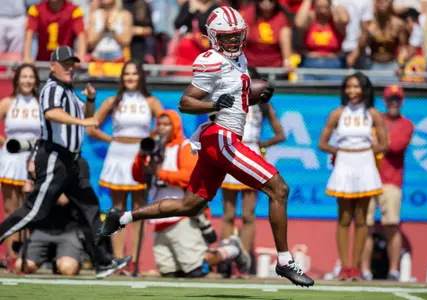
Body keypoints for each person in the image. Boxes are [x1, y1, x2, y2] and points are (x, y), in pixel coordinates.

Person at [100, 6, 314, 287]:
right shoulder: (210, 60)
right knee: (280, 189)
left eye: (237, 35)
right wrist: (214, 104)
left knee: (190, 205)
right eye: (227, 37)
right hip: (221, 137)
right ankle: (285, 261)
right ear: (214, 37)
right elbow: (185, 102)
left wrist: (253, 97)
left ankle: (123, 217)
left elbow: (235, 100)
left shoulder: (240, 59)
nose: (234, 41)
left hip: (225, 136)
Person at [0, 46, 131, 278]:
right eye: (65, 64)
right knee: (34, 211)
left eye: (72, 64)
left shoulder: (69, 92)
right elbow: (52, 113)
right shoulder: (52, 88)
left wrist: (90, 100)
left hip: (72, 161)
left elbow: (85, 115)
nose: (70, 68)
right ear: (53, 66)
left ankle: (102, 261)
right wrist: (84, 122)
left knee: (91, 209)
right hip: (55, 157)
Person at [131, 110, 245, 277]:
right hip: (160, 217)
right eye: (159, 125)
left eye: (166, 124)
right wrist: (141, 157)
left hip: (182, 216)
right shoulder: (152, 148)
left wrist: (161, 173)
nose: (162, 128)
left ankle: (232, 249)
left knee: (197, 269)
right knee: (169, 273)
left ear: (175, 126)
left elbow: (189, 177)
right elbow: (137, 177)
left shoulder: (184, 147)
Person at [86, 59, 163, 273]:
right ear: (122, 78)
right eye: (126, 74)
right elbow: (91, 127)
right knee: (116, 211)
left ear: (141, 77)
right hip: (117, 156)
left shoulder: (151, 101)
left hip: (140, 158)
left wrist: (152, 144)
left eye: (134, 74)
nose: (130, 78)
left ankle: (135, 263)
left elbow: (166, 127)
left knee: (138, 211)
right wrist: (112, 140)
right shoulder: (113, 101)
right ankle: (119, 261)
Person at [318, 72, 388, 280]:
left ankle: (355, 267)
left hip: (365, 165)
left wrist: (367, 153)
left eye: (356, 87)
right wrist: (339, 152)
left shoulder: (373, 114)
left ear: (365, 90)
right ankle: (344, 267)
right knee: (344, 218)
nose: (352, 91)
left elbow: (384, 144)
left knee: (361, 218)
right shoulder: (337, 113)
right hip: (344, 164)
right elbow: (322, 143)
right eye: (349, 87)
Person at [220, 67, 286, 274]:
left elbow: (280, 134)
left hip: (250, 150)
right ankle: (225, 260)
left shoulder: (264, 105)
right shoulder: (227, 99)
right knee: (228, 213)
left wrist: (262, 144)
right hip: (230, 149)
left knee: (248, 214)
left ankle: (244, 261)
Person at [360, 85, 414, 281]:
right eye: (390, 99)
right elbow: (364, 142)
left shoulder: (406, 124)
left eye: (397, 99)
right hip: (368, 179)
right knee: (364, 226)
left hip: (391, 182)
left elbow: (395, 146)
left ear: (402, 101)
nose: (393, 103)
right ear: (384, 101)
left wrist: (377, 141)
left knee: (391, 225)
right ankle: (365, 270)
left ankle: (393, 270)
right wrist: (376, 142)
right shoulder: (375, 119)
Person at [0, 64, 41, 271]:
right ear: (17, 80)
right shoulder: (8, 103)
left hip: (34, 161)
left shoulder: (40, 104)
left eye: (30, 77)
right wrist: (4, 142)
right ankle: (12, 256)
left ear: (35, 80)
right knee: (11, 210)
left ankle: (30, 256)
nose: (27, 81)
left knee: (32, 210)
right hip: (10, 160)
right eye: (23, 77)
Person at [295, 0, 348, 80]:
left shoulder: (336, 23)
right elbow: (299, 23)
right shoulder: (311, 22)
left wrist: (334, 1)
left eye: (326, 7)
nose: (323, 11)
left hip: (333, 66)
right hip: (310, 64)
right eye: (320, 7)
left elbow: (345, 19)